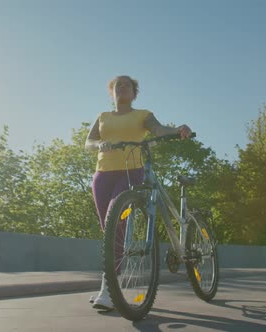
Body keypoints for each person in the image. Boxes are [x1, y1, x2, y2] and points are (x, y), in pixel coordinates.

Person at [85, 75, 192, 311]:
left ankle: (108, 288)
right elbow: (89, 142)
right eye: (118, 85)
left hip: (131, 170)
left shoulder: (142, 114)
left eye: (128, 85)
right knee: (109, 228)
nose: (122, 87)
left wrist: (177, 129)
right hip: (102, 174)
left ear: (134, 93)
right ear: (112, 93)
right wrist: (98, 145)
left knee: (117, 215)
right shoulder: (102, 117)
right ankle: (110, 285)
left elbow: (158, 129)